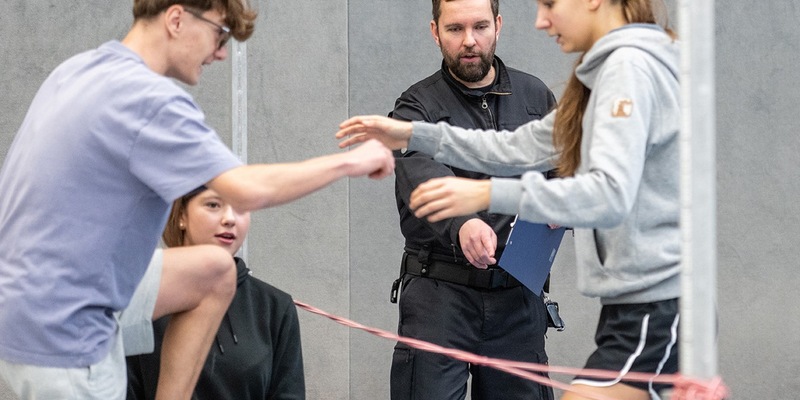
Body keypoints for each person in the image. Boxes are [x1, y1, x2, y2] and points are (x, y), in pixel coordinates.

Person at [0, 1, 393, 399]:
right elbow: (246, 189)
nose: (221, 52)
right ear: (175, 19)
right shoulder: (149, 98)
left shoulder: (76, 71)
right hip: (64, 338)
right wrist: (350, 162)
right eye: (219, 33)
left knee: (214, 272)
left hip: (18, 304)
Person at [336, 0, 679, 399]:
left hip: (653, 304)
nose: (540, 20)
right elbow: (517, 147)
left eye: (549, 3)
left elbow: (608, 192)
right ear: (435, 31)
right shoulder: (607, 70)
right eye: (455, 29)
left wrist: (486, 192)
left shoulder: (628, 68)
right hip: (626, 307)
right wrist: (416, 135)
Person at [387, 0, 557, 399]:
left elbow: (568, 169)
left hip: (517, 298)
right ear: (435, 31)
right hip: (439, 296)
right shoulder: (416, 106)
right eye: (454, 29)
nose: (469, 41)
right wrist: (462, 221)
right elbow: (421, 176)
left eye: (480, 26)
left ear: (498, 25)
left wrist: (562, 203)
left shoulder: (536, 97)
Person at [127, 186, 305, 399]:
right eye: (213, 205)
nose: (230, 219)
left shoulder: (275, 307)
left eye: (241, 208)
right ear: (182, 215)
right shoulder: (140, 298)